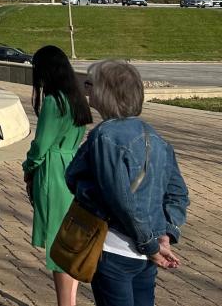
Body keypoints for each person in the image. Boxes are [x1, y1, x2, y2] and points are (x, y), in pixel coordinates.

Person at [66, 60, 188, 306]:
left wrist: (150, 244)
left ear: (105, 93)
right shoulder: (156, 137)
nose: (86, 90)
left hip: (115, 249)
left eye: (89, 84)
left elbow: (119, 198)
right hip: (147, 255)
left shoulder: (105, 135)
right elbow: (178, 194)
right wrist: (165, 235)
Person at [23, 46, 93, 306]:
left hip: (53, 171)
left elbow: (40, 145)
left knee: (58, 243)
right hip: (72, 164)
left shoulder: (54, 101)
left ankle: (65, 303)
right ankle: (70, 301)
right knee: (70, 239)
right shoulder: (75, 97)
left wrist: (28, 167)